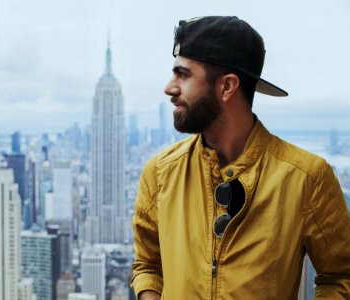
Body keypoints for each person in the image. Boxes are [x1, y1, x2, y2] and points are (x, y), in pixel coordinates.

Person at [131, 16, 350, 299]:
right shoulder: (160, 172)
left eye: (183, 75)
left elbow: (341, 276)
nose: (170, 87)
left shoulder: (307, 178)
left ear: (227, 87)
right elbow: (147, 265)